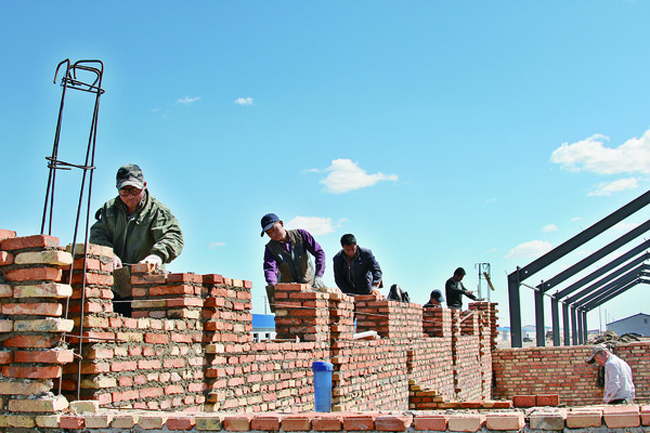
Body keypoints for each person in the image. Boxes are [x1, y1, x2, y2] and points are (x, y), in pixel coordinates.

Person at [90, 163, 184, 268]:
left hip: (147, 278)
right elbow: (97, 235)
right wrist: (108, 254)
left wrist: (157, 256)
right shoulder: (109, 209)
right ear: (117, 188)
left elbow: (173, 237)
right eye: (124, 191)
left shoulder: (157, 211)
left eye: (135, 190)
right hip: (113, 277)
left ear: (144, 185)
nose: (130, 196)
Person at [261, 213, 327, 311]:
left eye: (274, 229)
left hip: (309, 288)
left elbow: (319, 253)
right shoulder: (270, 248)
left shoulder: (301, 235)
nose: (273, 234)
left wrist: (319, 276)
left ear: (281, 223)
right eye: (269, 233)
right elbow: (270, 268)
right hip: (289, 294)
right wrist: (273, 286)